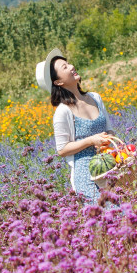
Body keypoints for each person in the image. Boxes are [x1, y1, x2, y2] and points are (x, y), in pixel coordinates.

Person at [35, 48, 114, 204]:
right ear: (58, 82)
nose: (71, 67)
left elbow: (110, 130)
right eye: (64, 67)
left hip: (111, 166)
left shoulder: (95, 98)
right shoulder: (63, 111)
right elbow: (62, 149)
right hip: (88, 176)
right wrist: (90, 141)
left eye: (68, 63)